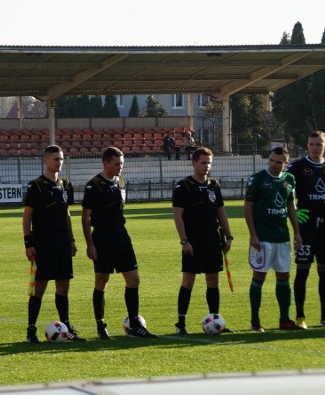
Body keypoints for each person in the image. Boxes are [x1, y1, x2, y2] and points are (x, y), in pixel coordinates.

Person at [82, 147, 157, 339]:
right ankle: (101, 326)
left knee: (133, 279)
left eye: (122, 164)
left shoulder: (120, 182)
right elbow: (85, 217)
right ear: (105, 163)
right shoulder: (94, 185)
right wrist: (90, 244)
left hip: (121, 235)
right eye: (116, 164)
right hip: (102, 236)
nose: (120, 168)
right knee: (101, 280)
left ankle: (134, 325)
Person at [23, 146, 84, 343]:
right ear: (46, 161)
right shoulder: (36, 186)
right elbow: (27, 216)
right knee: (39, 286)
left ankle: (66, 327)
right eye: (55, 159)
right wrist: (28, 243)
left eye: (61, 159)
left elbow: (67, 214)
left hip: (62, 241)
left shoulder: (66, 185)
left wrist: (72, 240)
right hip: (42, 241)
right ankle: (31, 330)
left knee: (63, 285)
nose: (59, 162)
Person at [172, 147, 234, 334]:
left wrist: (228, 236)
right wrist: (184, 241)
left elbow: (221, 212)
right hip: (193, 240)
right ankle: (181, 324)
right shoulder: (183, 186)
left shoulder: (214, 185)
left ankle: (215, 320)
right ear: (194, 163)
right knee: (188, 281)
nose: (207, 166)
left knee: (213, 280)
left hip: (212, 239)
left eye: (209, 162)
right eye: (203, 162)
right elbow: (177, 215)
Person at [245, 146, 303, 332]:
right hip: (262, 238)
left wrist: (297, 232)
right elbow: (248, 207)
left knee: (284, 276)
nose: (273, 164)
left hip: (282, 237)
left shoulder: (289, 179)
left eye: (278, 162)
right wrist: (253, 234)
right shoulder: (258, 179)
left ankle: (284, 320)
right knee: (259, 277)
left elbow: (291, 206)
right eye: (271, 160)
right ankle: (255, 321)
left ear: (285, 163)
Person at [288, 131, 325, 329]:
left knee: (324, 274)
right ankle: (300, 316)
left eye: (319, 144)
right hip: (305, 228)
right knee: (302, 272)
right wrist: (294, 211)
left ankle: (324, 317)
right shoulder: (298, 167)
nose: (315, 147)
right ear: (307, 145)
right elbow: (282, 187)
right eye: (312, 144)